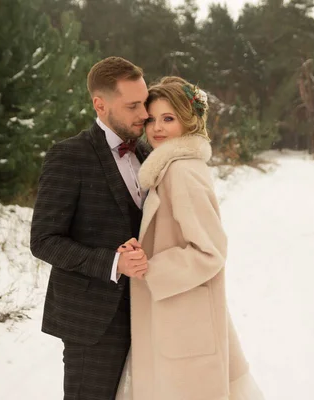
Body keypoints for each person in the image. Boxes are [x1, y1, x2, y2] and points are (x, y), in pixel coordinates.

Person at [116, 76, 264, 400]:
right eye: (151, 118)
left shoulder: (181, 171)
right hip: (178, 314)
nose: (156, 127)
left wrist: (149, 267)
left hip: (184, 317)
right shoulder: (168, 167)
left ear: (188, 120)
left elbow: (210, 251)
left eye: (168, 118)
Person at [30, 56, 152, 400]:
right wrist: (114, 263)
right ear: (100, 104)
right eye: (133, 105)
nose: (145, 113)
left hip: (146, 312)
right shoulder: (68, 156)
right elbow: (44, 240)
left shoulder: (146, 153)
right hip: (93, 320)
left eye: (145, 101)